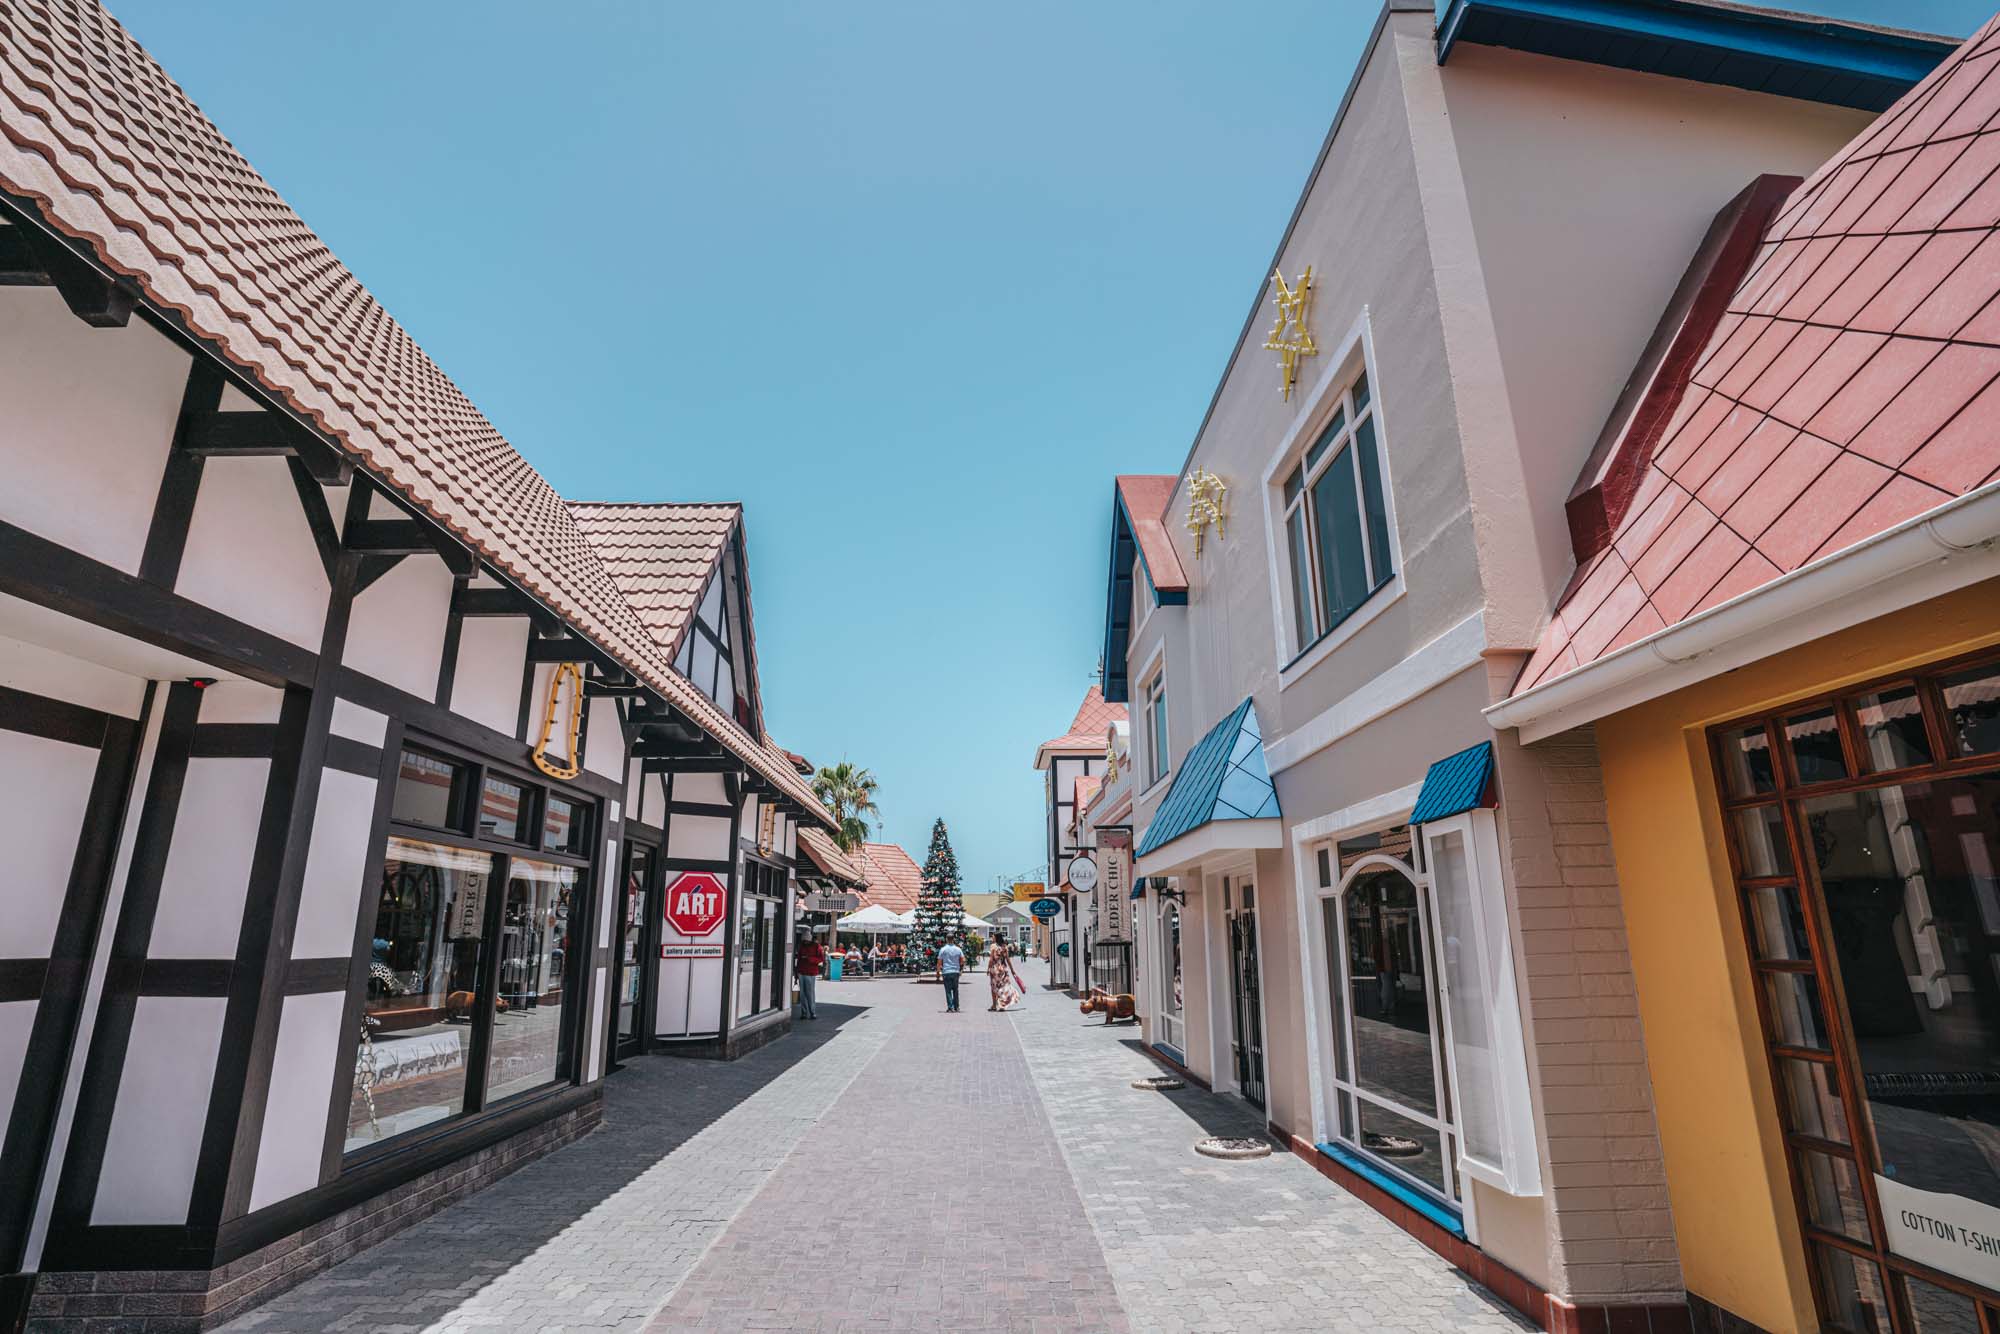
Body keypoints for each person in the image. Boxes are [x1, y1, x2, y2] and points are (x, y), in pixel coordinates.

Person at [795, 933, 826, 1020]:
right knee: (802, 994)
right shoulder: (802, 946)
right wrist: (796, 972)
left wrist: (810, 959)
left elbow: (821, 959)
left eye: (807, 940)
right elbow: (799, 959)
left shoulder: (817, 946)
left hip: (811, 972)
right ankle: (804, 1013)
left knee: (810, 993)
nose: (805, 942)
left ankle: (812, 1012)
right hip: (802, 971)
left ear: (810, 940)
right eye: (804, 940)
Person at [987, 938, 1019, 1012]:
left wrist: (988, 969)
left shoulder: (993, 947)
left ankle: (994, 1005)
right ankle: (1001, 1005)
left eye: (993, 937)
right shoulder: (1004, 948)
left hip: (995, 969)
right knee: (1003, 987)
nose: (992, 938)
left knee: (994, 987)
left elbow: (991, 959)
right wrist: (1012, 970)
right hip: (1003, 969)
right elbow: (1008, 960)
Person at [935, 936, 965, 1012]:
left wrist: (938, 972)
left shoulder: (943, 949)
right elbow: (962, 960)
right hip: (955, 971)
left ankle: (950, 1007)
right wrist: (960, 969)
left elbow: (939, 962)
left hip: (946, 971)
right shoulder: (958, 949)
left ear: (946, 939)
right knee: (955, 990)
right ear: (953, 939)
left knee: (948, 991)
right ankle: (956, 1007)